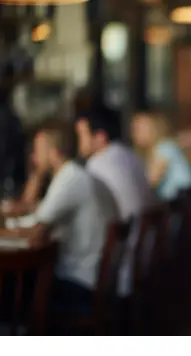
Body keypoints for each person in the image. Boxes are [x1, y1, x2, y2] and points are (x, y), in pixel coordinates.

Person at [29, 120, 117, 308]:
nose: (33, 157)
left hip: (80, 283)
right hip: (100, 278)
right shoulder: (77, 173)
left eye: (37, 150)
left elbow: (37, 233)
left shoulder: (68, 178)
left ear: (53, 152)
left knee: (14, 289)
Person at [76, 106, 153, 219]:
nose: (79, 142)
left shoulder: (96, 165)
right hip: (146, 231)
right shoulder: (131, 156)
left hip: (124, 233)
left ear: (100, 137)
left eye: (81, 135)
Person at [131, 111, 191, 201]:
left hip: (185, 201)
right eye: (133, 130)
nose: (135, 134)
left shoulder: (164, 148)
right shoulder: (154, 151)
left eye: (139, 129)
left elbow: (151, 181)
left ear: (153, 129)